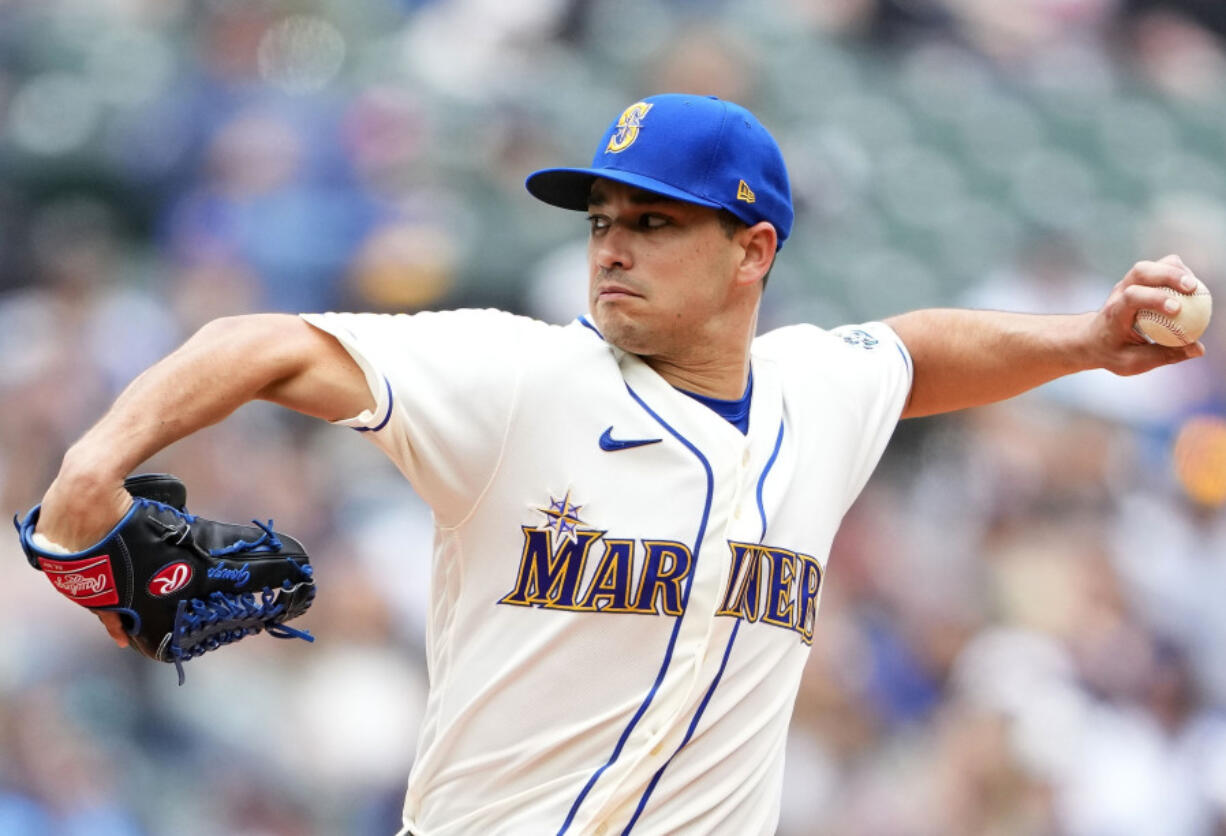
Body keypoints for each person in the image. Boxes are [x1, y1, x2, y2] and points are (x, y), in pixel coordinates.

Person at [30, 94, 1205, 835]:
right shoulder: (520, 378)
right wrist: (94, 466)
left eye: (653, 223)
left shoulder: (815, 389)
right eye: (600, 220)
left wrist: (1086, 344)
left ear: (752, 250)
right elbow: (262, 343)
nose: (611, 249)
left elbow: (914, 351)